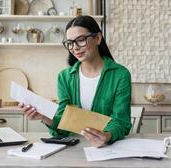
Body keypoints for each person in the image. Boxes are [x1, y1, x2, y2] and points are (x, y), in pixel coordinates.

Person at [20, 15, 132, 147]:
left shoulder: (120, 75)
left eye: (80, 40)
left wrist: (107, 136)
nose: (75, 48)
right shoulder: (65, 77)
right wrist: (44, 117)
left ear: (97, 38)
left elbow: (121, 122)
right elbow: (63, 127)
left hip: (107, 147)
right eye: (70, 43)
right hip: (74, 148)